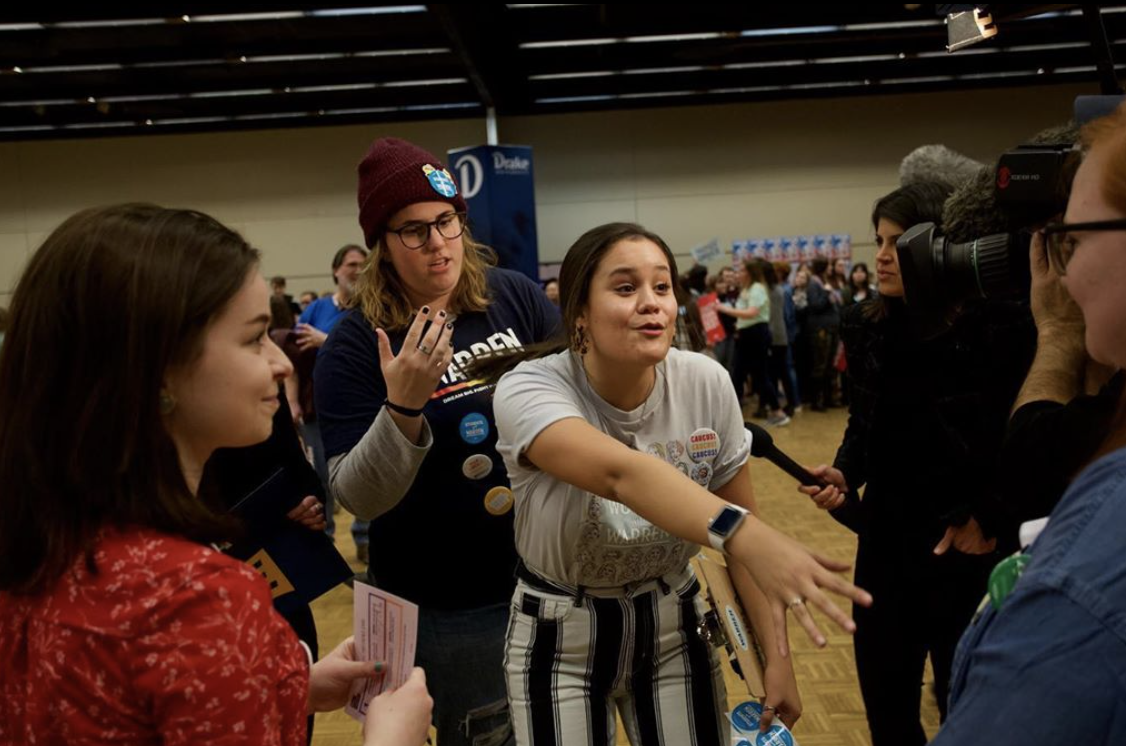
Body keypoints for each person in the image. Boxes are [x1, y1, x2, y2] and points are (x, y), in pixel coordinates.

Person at [0, 203, 433, 746]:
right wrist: (392, 739)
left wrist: (286, 685)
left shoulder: (46, 550)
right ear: (160, 371)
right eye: (253, 338)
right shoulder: (195, 601)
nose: (278, 364)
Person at [479, 222, 872, 746]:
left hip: (673, 625)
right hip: (559, 638)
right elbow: (622, 474)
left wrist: (776, 661)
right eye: (625, 288)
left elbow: (742, 549)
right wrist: (746, 533)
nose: (652, 303)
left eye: (661, 287)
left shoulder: (705, 381)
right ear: (579, 312)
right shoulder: (529, 386)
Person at [314, 137, 560, 746]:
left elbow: (575, 404)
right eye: (414, 230)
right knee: (486, 731)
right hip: (448, 605)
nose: (437, 244)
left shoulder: (514, 297)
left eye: (446, 222)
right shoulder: (356, 344)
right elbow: (358, 497)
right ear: (382, 242)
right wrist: (403, 408)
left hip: (548, 577)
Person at [800, 182, 1036, 746]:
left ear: (938, 245)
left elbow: (1018, 439)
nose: (881, 256)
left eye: (898, 242)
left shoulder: (999, 324)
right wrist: (844, 472)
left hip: (968, 543)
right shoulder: (865, 324)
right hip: (885, 544)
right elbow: (865, 421)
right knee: (888, 711)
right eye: (878, 240)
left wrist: (990, 519)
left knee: (971, 709)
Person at [931, 99, 1126, 746]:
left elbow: (1037, 458)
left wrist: (1061, 333)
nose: (1063, 267)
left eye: (1072, 236)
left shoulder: (1097, 557)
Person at [296, 243, 369, 556]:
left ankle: (364, 538)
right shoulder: (318, 308)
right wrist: (292, 399)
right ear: (336, 270)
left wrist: (324, 340)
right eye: (351, 264)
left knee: (367, 473)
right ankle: (324, 539)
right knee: (322, 477)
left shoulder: (373, 307)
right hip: (318, 406)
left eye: (363, 264)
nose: (357, 270)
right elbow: (294, 353)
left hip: (364, 403)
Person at [719, 258, 790, 426]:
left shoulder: (757, 288)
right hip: (748, 333)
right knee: (740, 374)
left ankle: (777, 411)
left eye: (742, 270)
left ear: (750, 273)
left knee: (757, 374)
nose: (738, 274)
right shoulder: (747, 289)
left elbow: (751, 313)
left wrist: (724, 309)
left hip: (756, 334)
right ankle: (731, 417)